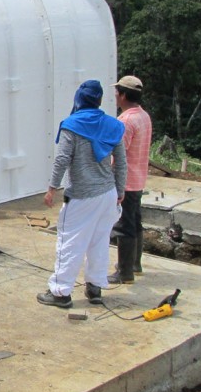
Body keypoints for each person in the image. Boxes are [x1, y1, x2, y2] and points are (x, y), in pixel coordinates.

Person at [38, 80, 127, 309]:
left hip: (82, 196)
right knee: (99, 242)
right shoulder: (112, 125)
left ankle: (60, 293)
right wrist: (120, 190)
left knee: (69, 242)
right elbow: (121, 162)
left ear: (79, 99)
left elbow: (62, 159)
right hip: (107, 193)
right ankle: (95, 288)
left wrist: (52, 188)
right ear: (98, 100)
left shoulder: (72, 125)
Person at [108, 75, 153, 284]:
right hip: (138, 178)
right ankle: (135, 263)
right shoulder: (144, 116)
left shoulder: (125, 121)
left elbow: (119, 155)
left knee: (123, 225)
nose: (115, 96)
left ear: (124, 95)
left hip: (125, 181)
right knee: (134, 222)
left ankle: (125, 272)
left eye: (117, 92)